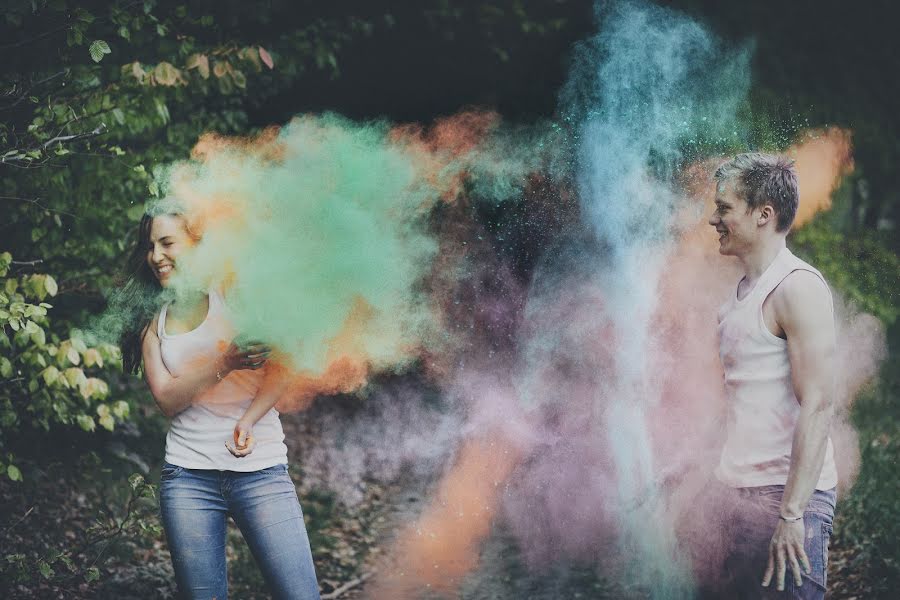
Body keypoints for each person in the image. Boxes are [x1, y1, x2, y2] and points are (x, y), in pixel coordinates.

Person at [119, 208, 321, 599]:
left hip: (261, 471)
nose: (155, 255)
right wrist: (224, 362)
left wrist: (249, 420)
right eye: (149, 246)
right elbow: (167, 399)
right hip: (188, 477)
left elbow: (284, 364)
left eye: (167, 243)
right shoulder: (153, 322)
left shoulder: (237, 295)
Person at [700, 153, 838, 599]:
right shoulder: (736, 297)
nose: (713, 220)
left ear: (764, 214)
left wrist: (793, 515)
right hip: (734, 493)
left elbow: (819, 404)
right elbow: (742, 404)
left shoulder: (797, 288)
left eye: (724, 208)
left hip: (786, 499)